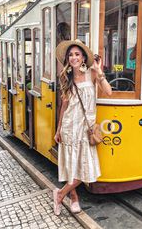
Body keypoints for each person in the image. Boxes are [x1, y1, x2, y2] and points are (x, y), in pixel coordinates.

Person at [53, 39, 112, 215]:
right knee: (72, 166)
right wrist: (58, 129)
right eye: (70, 55)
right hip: (69, 127)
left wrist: (99, 71)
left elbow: (108, 92)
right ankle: (74, 197)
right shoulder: (66, 77)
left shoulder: (92, 74)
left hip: (86, 129)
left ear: (83, 57)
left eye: (77, 54)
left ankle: (60, 194)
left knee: (86, 168)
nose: (73, 57)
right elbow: (64, 106)